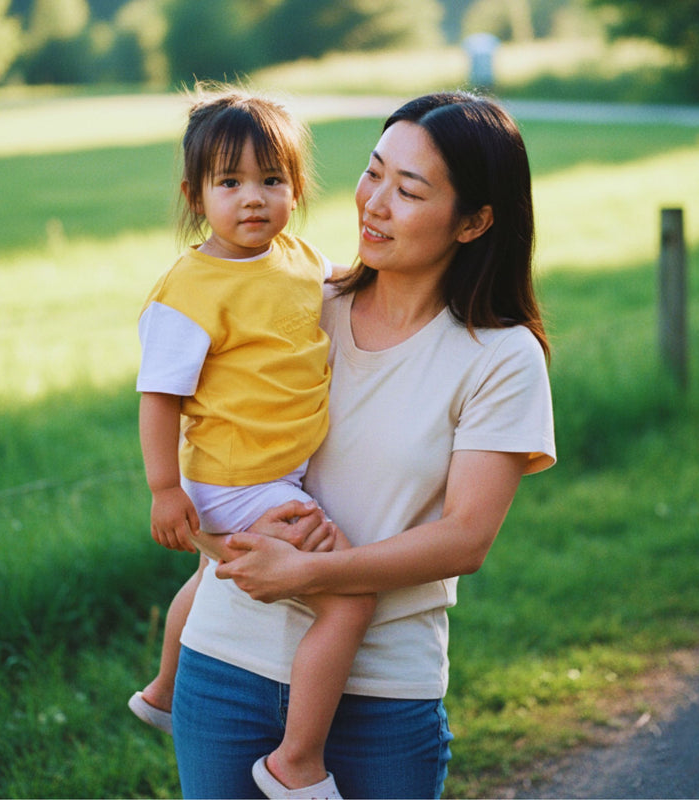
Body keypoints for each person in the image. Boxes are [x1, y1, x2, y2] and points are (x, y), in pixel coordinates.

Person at [165, 90, 557, 800]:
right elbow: (208, 459)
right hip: (227, 665)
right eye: (373, 172)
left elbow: (466, 538)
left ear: (474, 222)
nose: (374, 202)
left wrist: (307, 577)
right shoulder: (299, 303)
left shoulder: (501, 357)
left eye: (408, 190)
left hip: (385, 692)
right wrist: (226, 542)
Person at [131, 85, 376, 800]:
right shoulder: (190, 290)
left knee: (209, 579)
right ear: (194, 193)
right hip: (237, 480)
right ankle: (295, 761)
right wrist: (164, 488)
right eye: (229, 182)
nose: (253, 199)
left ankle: (165, 692)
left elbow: (352, 285)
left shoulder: (300, 258)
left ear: (296, 189)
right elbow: (160, 398)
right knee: (350, 599)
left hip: (275, 473)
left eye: (272, 180)